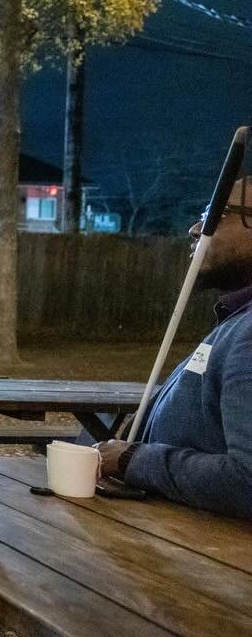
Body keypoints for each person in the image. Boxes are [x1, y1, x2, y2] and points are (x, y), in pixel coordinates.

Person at [95, 173, 252, 519]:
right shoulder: (237, 319)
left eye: (216, 214)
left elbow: (247, 481)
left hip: (208, 560)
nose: (197, 229)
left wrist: (131, 459)